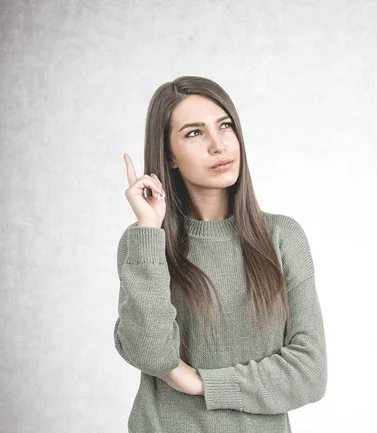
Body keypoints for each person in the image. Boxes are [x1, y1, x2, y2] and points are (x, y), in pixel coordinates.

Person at [113, 76, 327, 432]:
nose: (218, 145)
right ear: (170, 155)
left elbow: (310, 373)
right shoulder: (144, 244)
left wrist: (202, 383)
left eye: (225, 126)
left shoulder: (282, 237)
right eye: (194, 133)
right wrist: (150, 230)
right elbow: (152, 355)